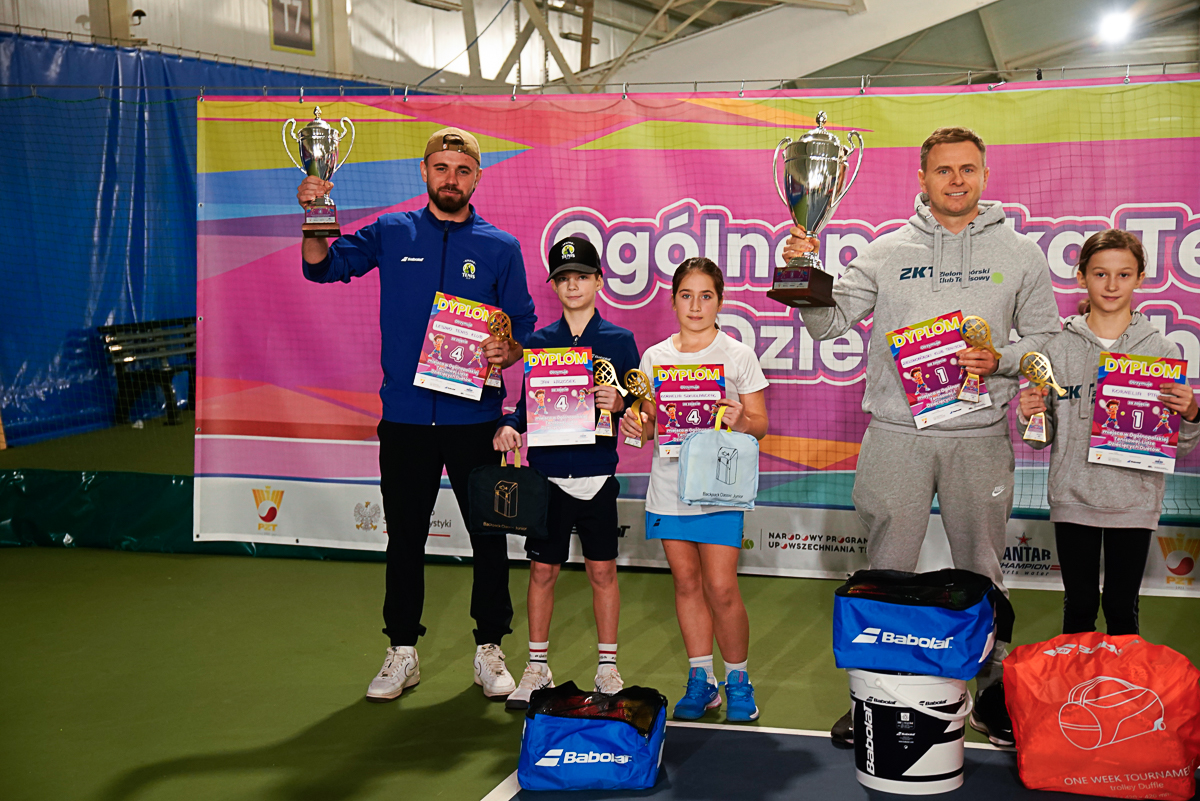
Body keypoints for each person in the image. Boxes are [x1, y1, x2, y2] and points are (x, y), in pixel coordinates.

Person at [783, 127, 1061, 745]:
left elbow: (1047, 339)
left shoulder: (1021, 253)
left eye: (967, 169)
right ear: (922, 178)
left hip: (979, 434)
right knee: (885, 568)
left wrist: (1003, 359)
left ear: (984, 175)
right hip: (896, 434)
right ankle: (873, 696)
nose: (956, 180)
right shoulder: (886, 250)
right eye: (943, 170)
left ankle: (991, 695)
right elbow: (829, 324)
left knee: (982, 569)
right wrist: (803, 272)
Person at [297, 127, 536, 702]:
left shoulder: (501, 246)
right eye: (441, 167)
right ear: (424, 171)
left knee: (489, 537)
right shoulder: (391, 230)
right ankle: (402, 650)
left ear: (477, 178)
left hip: (477, 421)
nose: (451, 178)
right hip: (405, 421)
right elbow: (322, 267)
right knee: (404, 538)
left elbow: (524, 327)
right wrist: (313, 216)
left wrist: (509, 351)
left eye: (462, 170)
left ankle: (490, 648)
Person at [1017, 229, 1199, 636]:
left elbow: (1180, 446)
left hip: (1134, 501)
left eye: (1124, 274)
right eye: (1100, 274)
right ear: (1081, 276)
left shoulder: (1161, 351)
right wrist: (1030, 415)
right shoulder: (1056, 349)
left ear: (1140, 278)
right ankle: (1074, 679)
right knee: (1079, 607)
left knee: (1121, 609)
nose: (1112, 285)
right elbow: (1038, 438)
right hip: (1073, 497)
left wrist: (1191, 413)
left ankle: (1123, 680)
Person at [492, 236, 640, 709]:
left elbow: (640, 407)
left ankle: (608, 668)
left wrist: (622, 403)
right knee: (542, 571)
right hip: (548, 478)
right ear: (554, 286)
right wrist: (510, 426)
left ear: (599, 281)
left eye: (581, 277)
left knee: (603, 572)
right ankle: (537, 667)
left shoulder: (620, 341)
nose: (573, 285)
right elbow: (525, 406)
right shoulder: (538, 343)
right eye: (564, 278)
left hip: (597, 477)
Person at [621, 257, 769, 723]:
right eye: (686, 295)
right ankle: (702, 681)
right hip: (669, 489)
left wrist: (741, 421)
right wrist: (636, 426)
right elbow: (650, 425)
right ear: (673, 301)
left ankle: (738, 680)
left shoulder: (738, 354)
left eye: (706, 296)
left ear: (720, 301)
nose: (696, 305)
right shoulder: (654, 358)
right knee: (686, 583)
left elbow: (760, 424)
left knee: (721, 588)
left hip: (720, 490)